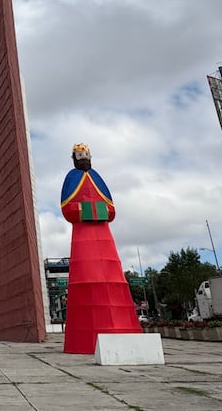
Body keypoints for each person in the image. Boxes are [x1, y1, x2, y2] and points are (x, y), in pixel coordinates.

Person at [60, 143, 141, 354]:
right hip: (82, 241)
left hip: (106, 241)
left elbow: (112, 210)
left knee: (114, 284)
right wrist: (93, 210)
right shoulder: (71, 178)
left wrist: (93, 210)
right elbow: (67, 209)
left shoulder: (97, 177)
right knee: (87, 282)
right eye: (80, 155)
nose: (84, 158)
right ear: (74, 158)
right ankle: (86, 341)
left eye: (86, 154)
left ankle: (125, 332)